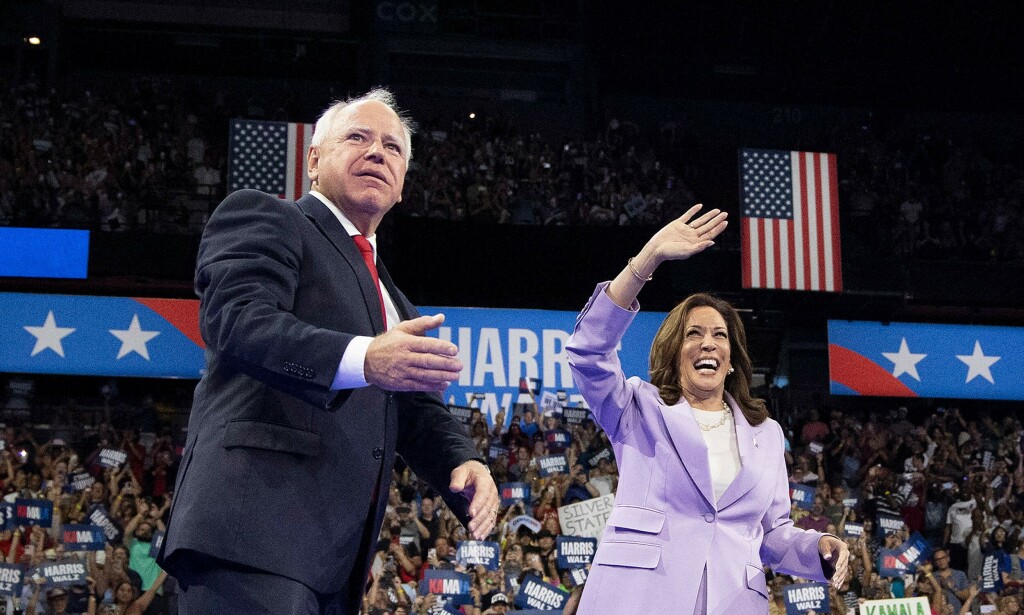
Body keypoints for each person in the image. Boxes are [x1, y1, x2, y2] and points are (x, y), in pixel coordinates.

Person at [158, 87, 500, 614]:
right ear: (314, 160)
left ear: (403, 182)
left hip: (336, 566)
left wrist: (463, 459)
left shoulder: (395, 299)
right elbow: (237, 319)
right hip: (252, 538)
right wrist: (364, 358)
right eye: (358, 138)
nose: (376, 152)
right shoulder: (268, 218)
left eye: (392, 147)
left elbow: (411, 409)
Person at [564, 205, 849, 614]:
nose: (708, 343)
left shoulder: (765, 433)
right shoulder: (638, 408)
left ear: (731, 359)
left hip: (733, 601)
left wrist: (818, 546)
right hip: (640, 597)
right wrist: (648, 259)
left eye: (720, 335)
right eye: (693, 334)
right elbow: (588, 353)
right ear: (674, 352)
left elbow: (772, 534)